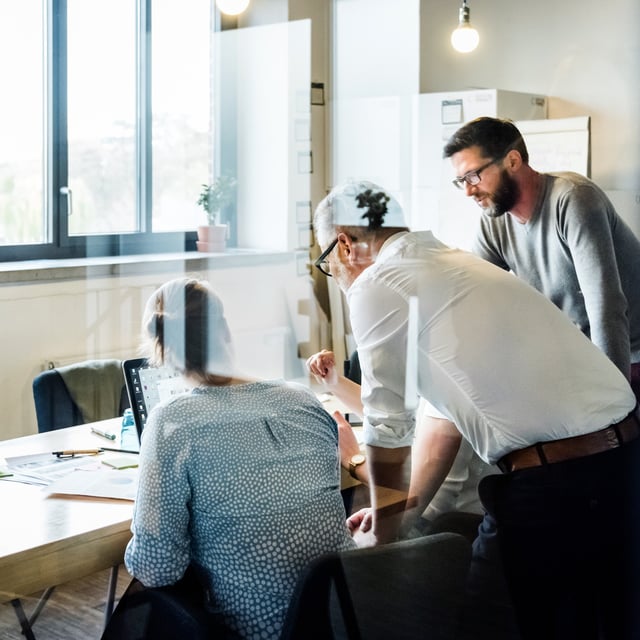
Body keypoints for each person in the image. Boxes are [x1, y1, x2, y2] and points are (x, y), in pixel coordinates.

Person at [312, 179, 640, 639]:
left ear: (344, 245)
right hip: (622, 461)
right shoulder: (452, 263)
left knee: (488, 622)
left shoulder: (377, 282)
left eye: (327, 261)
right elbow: (442, 416)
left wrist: (381, 536)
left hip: (557, 480)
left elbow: (389, 425)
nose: (337, 275)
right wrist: (403, 511)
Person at [124, 277, 355, 640]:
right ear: (227, 333)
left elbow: (157, 569)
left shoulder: (173, 422)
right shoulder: (302, 400)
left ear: (162, 353)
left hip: (254, 632)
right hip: (347, 619)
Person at [443, 116, 640, 401]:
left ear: (512, 160)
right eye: (461, 180)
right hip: (582, 359)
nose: (468, 190)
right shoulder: (495, 220)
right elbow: (472, 299)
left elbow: (605, 307)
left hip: (629, 355)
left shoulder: (573, 199)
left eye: (474, 176)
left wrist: (612, 402)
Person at [306, 348, 494, 537]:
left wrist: (355, 461)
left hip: (445, 526)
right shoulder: (441, 363)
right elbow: (398, 420)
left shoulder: (451, 378)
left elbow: (429, 493)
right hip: (436, 515)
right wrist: (334, 382)